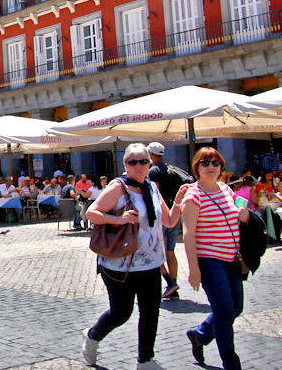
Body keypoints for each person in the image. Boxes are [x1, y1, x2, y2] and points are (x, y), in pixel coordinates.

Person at [82, 143, 184, 369]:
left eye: (142, 161)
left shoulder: (152, 188)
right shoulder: (118, 187)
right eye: (132, 162)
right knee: (121, 313)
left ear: (150, 163)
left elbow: (168, 221)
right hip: (120, 264)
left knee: (150, 312)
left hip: (151, 263)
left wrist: (178, 201)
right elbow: (92, 213)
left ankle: (145, 360)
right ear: (125, 164)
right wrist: (119, 219)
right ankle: (92, 335)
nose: (138, 166)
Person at [182, 147, 251, 370]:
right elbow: (188, 233)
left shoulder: (225, 189)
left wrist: (245, 209)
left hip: (232, 257)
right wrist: (194, 269)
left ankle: (200, 334)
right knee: (223, 311)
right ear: (197, 168)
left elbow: (240, 207)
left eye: (215, 163)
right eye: (205, 163)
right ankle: (231, 363)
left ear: (221, 167)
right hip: (209, 260)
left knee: (235, 308)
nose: (211, 167)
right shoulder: (194, 196)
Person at [147, 142, 185, 300]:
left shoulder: (153, 171)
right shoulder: (171, 170)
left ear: (150, 155)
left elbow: (153, 194)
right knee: (170, 252)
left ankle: (170, 282)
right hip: (174, 214)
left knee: (155, 252)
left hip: (160, 216)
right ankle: (173, 286)